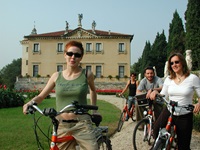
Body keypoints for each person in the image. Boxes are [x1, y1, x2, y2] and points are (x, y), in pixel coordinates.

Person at [23, 41, 98, 150]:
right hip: (61, 125)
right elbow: (41, 96)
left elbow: (93, 90)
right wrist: (30, 103)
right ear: (65, 55)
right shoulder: (56, 76)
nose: (73, 57)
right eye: (70, 54)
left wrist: (94, 110)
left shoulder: (87, 74)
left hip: (82, 124)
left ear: (81, 58)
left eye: (77, 55)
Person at [152, 53, 200, 150]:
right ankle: (162, 145)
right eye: (171, 63)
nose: (174, 65)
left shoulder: (192, 78)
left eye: (176, 62)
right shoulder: (169, 79)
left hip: (184, 114)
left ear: (182, 63)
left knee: (184, 146)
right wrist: (155, 92)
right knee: (156, 129)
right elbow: (163, 94)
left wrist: (198, 103)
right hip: (170, 110)